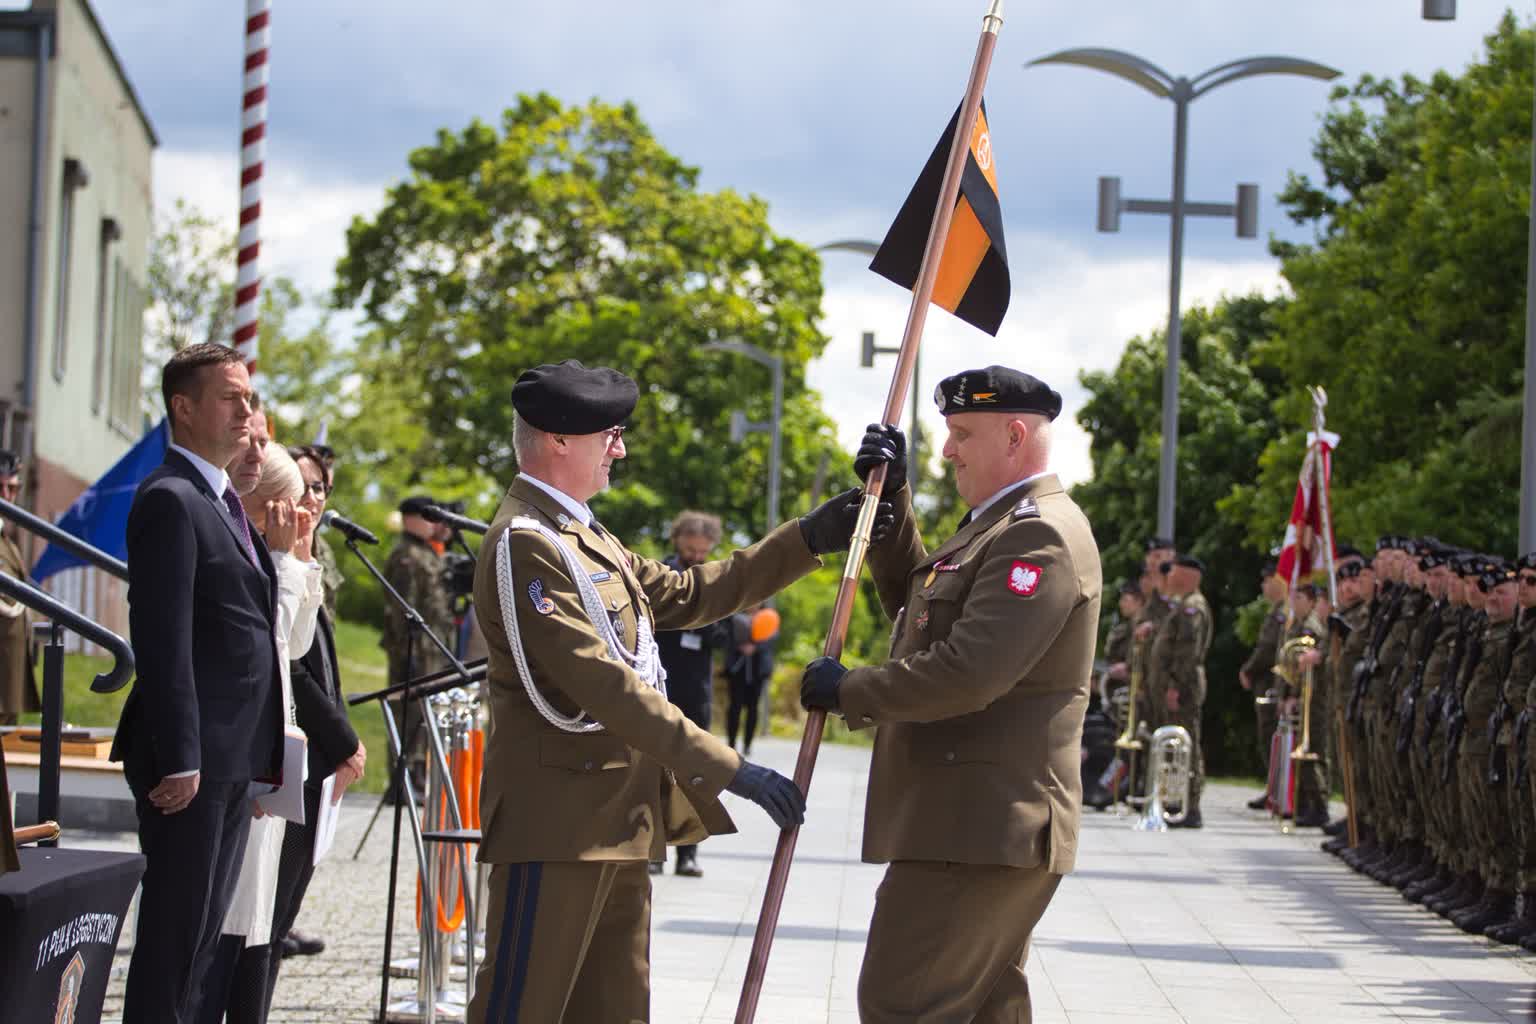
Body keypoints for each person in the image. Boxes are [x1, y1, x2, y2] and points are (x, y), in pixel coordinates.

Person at [466, 359, 889, 1023]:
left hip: (619, 823)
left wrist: (813, 535)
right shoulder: (527, 543)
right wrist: (731, 768)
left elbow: (693, 594)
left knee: (615, 1013)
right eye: (610, 435)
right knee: (523, 1010)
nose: (621, 449)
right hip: (558, 828)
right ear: (557, 440)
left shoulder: (584, 536)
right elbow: (606, 688)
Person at [799, 365, 1102, 1023]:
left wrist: (849, 689)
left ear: (1015, 435)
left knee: (904, 1002)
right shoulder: (998, 526)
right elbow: (921, 615)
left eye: (963, 433)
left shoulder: (1038, 535)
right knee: (981, 1010)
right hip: (973, 828)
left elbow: (969, 671)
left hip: (981, 829)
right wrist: (892, 502)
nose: (948, 450)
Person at [113, 343, 284, 1024]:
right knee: (175, 941)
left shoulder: (221, 499)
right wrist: (182, 755)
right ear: (184, 409)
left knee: (204, 941)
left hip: (230, 758)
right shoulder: (170, 500)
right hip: (192, 762)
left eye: (249, 396)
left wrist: (261, 759)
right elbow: (163, 638)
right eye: (230, 398)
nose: (247, 410)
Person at [197, 439, 324, 1023]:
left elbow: (295, 642)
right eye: (290, 508)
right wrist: (280, 562)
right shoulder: (240, 552)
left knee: (251, 916)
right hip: (237, 752)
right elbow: (267, 640)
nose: (299, 519)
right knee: (221, 922)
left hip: (268, 756)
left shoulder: (268, 554)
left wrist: (298, 558)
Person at [268, 446, 366, 970]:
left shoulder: (315, 554)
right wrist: (343, 738)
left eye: (320, 487)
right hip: (288, 747)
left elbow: (319, 651)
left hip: (312, 752)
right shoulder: (273, 554)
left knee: (282, 909)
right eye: (301, 485)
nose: (312, 497)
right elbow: (290, 663)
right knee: (260, 924)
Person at [653, 510, 731, 877]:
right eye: (690, 549)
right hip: (659, 687)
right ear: (678, 541)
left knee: (694, 774)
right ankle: (652, 849)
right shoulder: (658, 575)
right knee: (652, 772)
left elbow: (725, 634)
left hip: (696, 692)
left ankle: (688, 852)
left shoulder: (716, 581)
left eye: (702, 551)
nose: (696, 557)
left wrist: (705, 631)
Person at [1148, 554, 1212, 828]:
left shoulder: (1192, 608)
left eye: (1173, 572)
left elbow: (1187, 652)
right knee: (1176, 748)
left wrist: (1174, 686)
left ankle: (1189, 806)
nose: (1167, 577)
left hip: (1182, 689)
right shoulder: (1183, 605)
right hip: (1175, 688)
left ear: (1186, 576)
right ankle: (1176, 801)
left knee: (1187, 744)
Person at [1240, 562, 1286, 810]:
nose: (1263, 586)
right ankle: (1274, 788)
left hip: (1271, 681)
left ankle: (1279, 790)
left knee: (1272, 737)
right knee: (1267, 738)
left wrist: (1248, 669)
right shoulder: (1276, 611)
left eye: (1268, 580)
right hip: (1268, 683)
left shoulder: (1283, 612)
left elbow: (1268, 648)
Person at [0, 450, 39, 726]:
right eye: (0, 488)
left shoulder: (8, 541)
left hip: (8, 673)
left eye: (12, 488)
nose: (6, 496)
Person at [724, 601, 777, 756]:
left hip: (757, 670)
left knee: (753, 708)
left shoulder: (768, 616)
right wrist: (740, 647)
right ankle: (731, 742)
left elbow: (771, 639)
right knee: (735, 707)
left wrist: (755, 647)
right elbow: (725, 637)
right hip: (737, 669)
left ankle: (748, 743)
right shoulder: (734, 617)